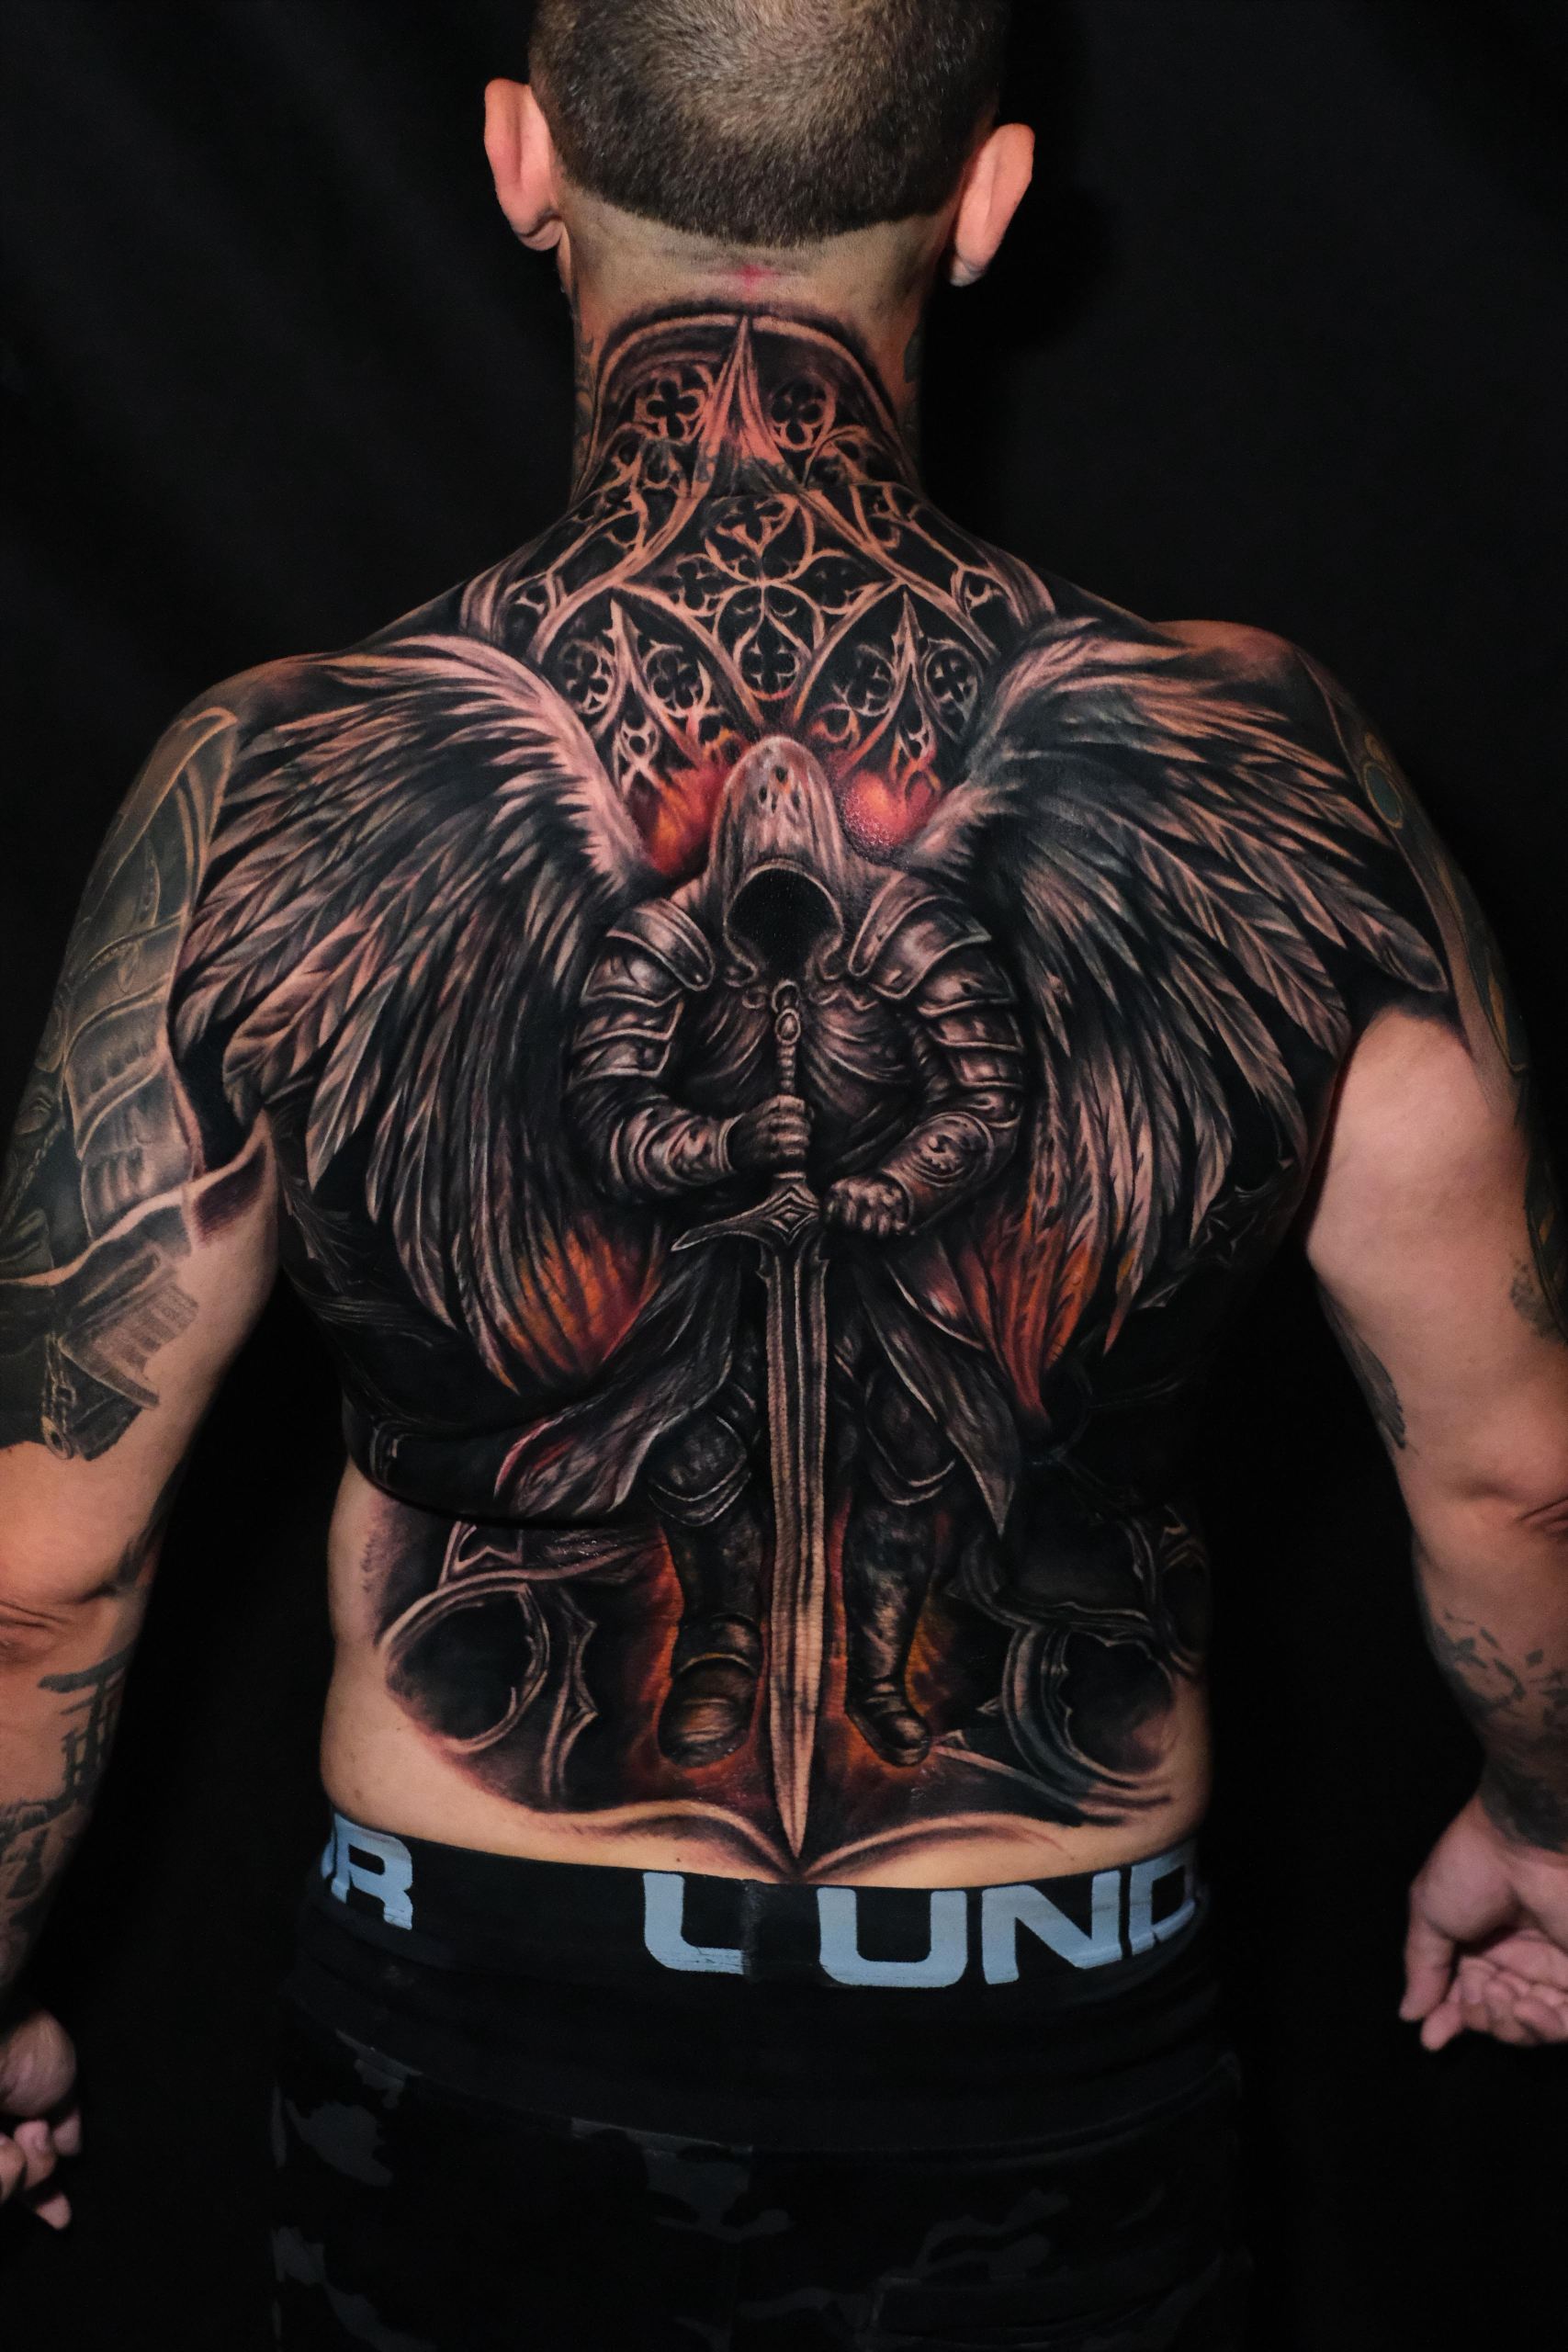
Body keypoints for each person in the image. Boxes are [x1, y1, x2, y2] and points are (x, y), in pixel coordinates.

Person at [2, 1, 1564, 2341]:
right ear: (989, 195)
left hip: (479, 2022)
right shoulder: (1272, 770)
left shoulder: (274, 784)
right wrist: (1545, 1818)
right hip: (1043, 2014)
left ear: (520, 164)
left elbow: (40, 1571)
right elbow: (1516, 1474)